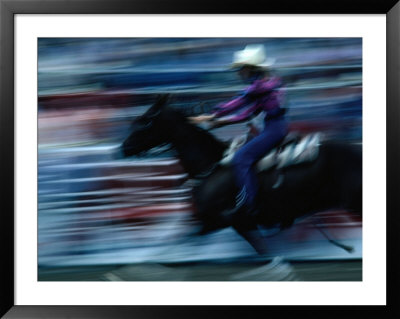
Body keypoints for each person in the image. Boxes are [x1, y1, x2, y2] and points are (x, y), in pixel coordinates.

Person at [190, 44, 289, 223]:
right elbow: (246, 114)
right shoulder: (267, 83)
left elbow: (237, 104)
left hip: (273, 129)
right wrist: (217, 121)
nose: (238, 73)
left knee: (241, 158)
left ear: (250, 69)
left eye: (240, 69)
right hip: (274, 127)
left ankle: (250, 204)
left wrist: (211, 115)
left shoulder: (259, 87)